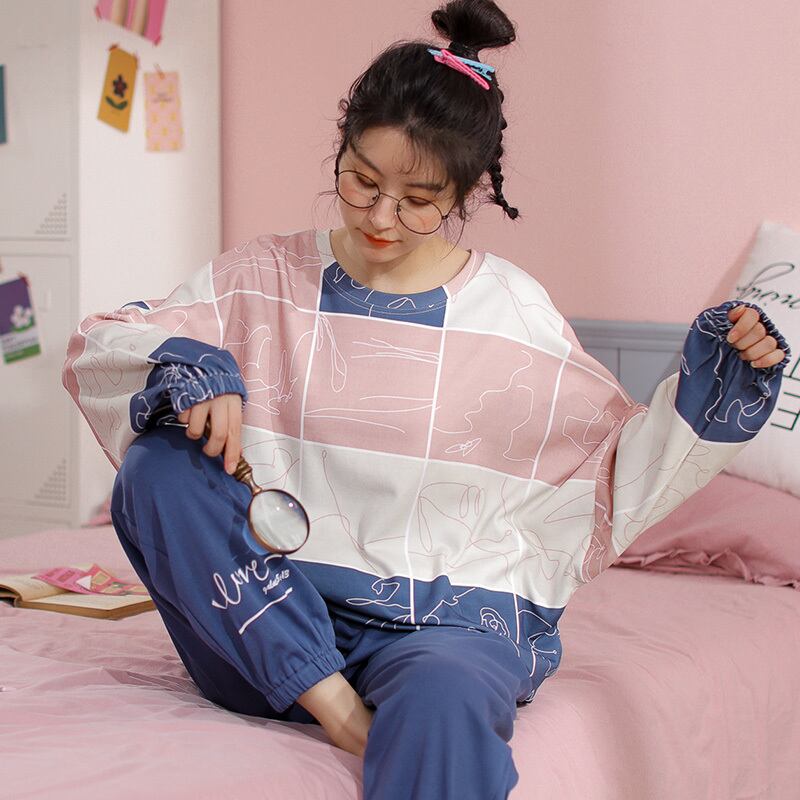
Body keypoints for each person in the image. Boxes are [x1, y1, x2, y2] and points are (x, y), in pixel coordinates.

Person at [62, 1, 791, 797]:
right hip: (259, 627)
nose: (381, 216)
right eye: (361, 181)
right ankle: (343, 712)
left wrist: (723, 377)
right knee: (158, 465)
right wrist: (197, 364)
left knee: (447, 695)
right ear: (341, 149)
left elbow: (617, 471)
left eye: (417, 198)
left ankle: (387, 712)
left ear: (469, 190)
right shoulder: (259, 276)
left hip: (442, 631)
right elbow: (103, 346)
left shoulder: (512, 313)